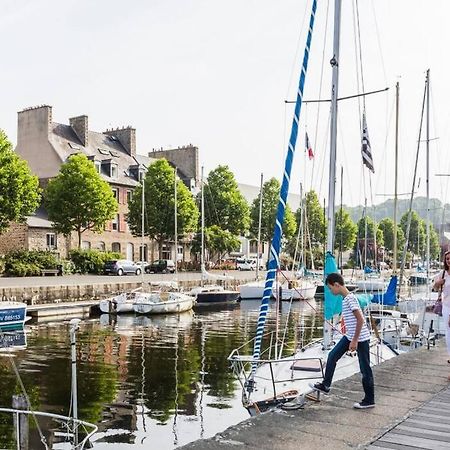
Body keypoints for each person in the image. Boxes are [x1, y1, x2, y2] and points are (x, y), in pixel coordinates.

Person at [310, 272, 374, 409]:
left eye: (330, 288)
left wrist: (355, 341)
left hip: (360, 338)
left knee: (365, 369)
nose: (330, 291)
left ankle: (369, 400)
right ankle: (326, 385)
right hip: (350, 336)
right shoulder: (345, 299)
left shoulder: (350, 299)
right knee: (332, 356)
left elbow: (360, 320)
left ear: (337, 285)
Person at [432, 250, 450, 367]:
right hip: (446, 306)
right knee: (448, 333)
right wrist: (438, 283)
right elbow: (434, 288)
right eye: (447, 259)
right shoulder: (443, 274)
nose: (449, 261)